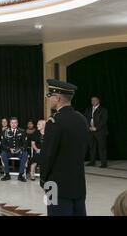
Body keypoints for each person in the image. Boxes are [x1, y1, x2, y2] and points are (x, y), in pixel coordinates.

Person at [41, 79, 89, 216]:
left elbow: (48, 155)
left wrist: (43, 180)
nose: (48, 99)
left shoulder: (54, 122)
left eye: (49, 96)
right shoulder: (81, 119)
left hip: (55, 184)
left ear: (58, 98)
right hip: (78, 181)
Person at [0, 117, 28, 182]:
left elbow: (25, 144)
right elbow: (3, 144)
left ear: (17, 123)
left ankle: (20, 175)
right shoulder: (5, 132)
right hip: (9, 151)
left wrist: (20, 149)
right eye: (12, 123)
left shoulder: (22, 131)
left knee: (25, 154)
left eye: (15, 123)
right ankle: (7, 174)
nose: (13, 124)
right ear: (9, 123)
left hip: (19, 151)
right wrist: (9, 149)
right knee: (3, 154)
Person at [84, 96, 108, 168]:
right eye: (92, 100)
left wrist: (96, 128)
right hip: (90, 131)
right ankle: (92, 162)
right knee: (92, 147)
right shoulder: (88, 109)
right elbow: (85, 118)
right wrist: (88, 127)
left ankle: (104, 163)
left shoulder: (104, 110)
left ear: (98, 101)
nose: (93, 102)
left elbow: (104, 121)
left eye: (94, 100)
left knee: (102, 148)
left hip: (100, 132)